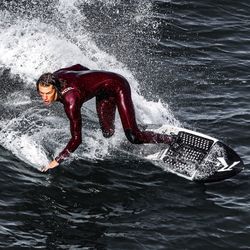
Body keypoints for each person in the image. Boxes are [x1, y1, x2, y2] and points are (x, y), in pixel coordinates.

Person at [37, 64, 174, 172]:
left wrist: (56, 161)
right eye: (41, 93)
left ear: (55, 88)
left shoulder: (71, 102)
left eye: (48, 93)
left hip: (118, 86)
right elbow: (78, 67)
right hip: (103, 92)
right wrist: (92, 82)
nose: (45, 98)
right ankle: (133, 126)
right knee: (108, 133)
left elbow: (77, 139)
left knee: (133, 137)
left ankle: (171, 140)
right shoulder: (53, 77)